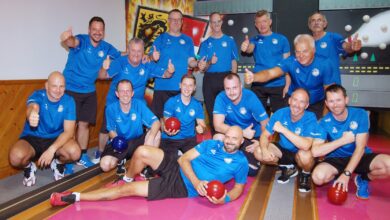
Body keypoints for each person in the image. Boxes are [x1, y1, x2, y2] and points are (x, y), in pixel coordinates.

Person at [50, 126, 249, 206]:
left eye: (234, 139)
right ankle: (128, 174)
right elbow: (183, 159)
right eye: (227, 137)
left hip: (179, 186)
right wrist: (197, 181)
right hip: (178, 167)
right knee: (143, 151)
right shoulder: (212, 144)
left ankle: (75, 196)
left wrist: (226, 198)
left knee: (126, 191)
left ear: (241, 142)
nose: (229, 141)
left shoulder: (241, 163)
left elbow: (239, 187)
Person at [94, 37, 175, 163]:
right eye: (133, 50)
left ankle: (145, 158)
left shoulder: (146, 64)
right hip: (115, 103)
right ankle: (99, 151)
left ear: (143, 52)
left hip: (137, 106)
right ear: (128, 50)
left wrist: (170, 71)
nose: (136, 54)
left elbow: (165, 74)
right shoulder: (120, 62)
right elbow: (102, 76)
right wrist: (104, 68)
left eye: (139, 51)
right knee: (106, 129)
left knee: (149, 130)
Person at [60, 16, 122, 169]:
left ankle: (81, 155)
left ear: (103, 32)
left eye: (100, 30)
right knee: (70, 126)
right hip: (70, 89)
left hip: (89, 90)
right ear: (89, 30)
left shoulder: (106, 47)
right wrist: (67, 37)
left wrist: (140, 56)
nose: (97, 32)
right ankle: (68, 158)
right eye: (94, 29)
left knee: (84, 124)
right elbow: (71, 42)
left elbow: (121, 55)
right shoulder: (81, 40)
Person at [311, 84, 390, 199]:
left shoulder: (360, 114)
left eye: (338, 100)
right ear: (327, 104)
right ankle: (335, 174)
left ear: (346, 100)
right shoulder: (324, 122)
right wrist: (342, 140)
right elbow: (315, 152)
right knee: (318, 178)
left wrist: (346, 174)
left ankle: (363, 178)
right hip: (336, 159)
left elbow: (360, 148)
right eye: (331, 101)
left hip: (360, 156)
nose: (335, 104)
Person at [8, 72, 81, 186]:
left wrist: (51, 150)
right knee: (15, 157)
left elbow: (69, 132)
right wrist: (31, 114)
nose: (58, 90)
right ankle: (29, 167)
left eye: (61, 86)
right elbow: (33, 106)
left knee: (75, 152)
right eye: (54, 86)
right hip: (33, 137)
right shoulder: (38, 95)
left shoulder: (69, 101)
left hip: (56, 138)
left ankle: (58, 163)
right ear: (46, 85)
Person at [245, 34, 336, 119]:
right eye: (297, 52)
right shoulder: (291, 61)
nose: (301, 55)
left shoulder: (325, 64)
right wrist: (254, 77)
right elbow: (270, 73)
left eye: (305, 51)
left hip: (315, 104)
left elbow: (330, 94)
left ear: (313, 50)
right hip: (294, 102)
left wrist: (324, 118)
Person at [254, 88, 319, 192]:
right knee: (258, 151)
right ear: (289, 100)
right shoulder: (280, 113)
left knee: (305, 156)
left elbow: (306, 145)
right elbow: (265, 135)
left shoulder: (310, 117)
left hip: (301, 152)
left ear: (306, 105)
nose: (297, 105)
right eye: (295, 100)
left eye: (302, 102)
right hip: (283, 150)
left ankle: (305, 174)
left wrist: (283, 130)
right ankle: (288, 168)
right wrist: (265, 150)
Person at [99, 79, 160, 174]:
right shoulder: (110, 109)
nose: (125, 94)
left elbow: (156, 122)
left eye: (128, 91)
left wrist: (150, 140)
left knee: (156, 134)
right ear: (117, 94)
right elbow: (110, 130)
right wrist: (118, 141)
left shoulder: (139, 105)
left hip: (137, 141)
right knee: (105, 165)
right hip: (121, 141)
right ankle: (121, 160)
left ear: (132, 93)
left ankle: (146, 166)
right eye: (122, 91)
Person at [213, 73, 269, 176]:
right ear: (224, 89)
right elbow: (217, 125)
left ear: (241, 86)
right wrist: (242, 133)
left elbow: (266, 124)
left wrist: (261, 143)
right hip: (233, 135)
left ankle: (231, 161)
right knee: (217, 138)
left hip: (251, 137)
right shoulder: (221, 98)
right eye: (228, 89)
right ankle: (234, 160)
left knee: (253, 170)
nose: (231, 92)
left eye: (234, 88)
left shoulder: (250, 97)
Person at [149, 9, 198, 121]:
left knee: (179, 120)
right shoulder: (160, 39)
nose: (176, 22)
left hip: (181, 88)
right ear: (168, 21)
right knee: (160, 121)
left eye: (178, 20)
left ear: (182, 22)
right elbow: (151, 57)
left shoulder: (188, 40)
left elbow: (191, 61)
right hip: (162, 87)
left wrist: (197, 63)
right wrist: (153, 57)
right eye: (173, 19)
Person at [240, 10, 291, 113]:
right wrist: (246, 47)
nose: (262, 25)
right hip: (258, 83)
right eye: (259, 22)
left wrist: (287, 85)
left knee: (279, 117)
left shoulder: (282, 39)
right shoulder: (254, 39)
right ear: (255, 25)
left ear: (270, 22)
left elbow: (288, 65)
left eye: (264, 21)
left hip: (278, 84)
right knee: (258, 115)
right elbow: (250, 48)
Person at [197, 12, 239, 132]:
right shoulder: (205, 44)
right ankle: (216, 136)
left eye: (218, 21)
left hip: (226, 78)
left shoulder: (230, 41)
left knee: (228, 109)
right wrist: (210, 61)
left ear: (221, 22)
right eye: (213, 22)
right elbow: (202, 68)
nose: (216, 24)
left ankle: (230, 136)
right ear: (210, 24)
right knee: (211, 110)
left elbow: (234, 62)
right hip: (209, 79)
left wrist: (234, 78)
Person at [308, 11, 362, 84]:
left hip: (331, 86)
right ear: (309, 25)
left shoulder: (333, 37)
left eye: (319, 20)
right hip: (313, 87)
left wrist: (351, 47)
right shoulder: (306, 42)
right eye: (313, 21)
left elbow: (345, 46)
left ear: (325, 24)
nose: (316, 23)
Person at [161, 74, 206, 155]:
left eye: (190, 85)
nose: (187, 88)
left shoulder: (197, 105)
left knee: (196, 162)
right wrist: (169, 131)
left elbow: (202, 125)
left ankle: (181, 154)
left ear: (194, 88)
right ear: (180, 85)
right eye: (184, 84)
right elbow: (166, 121)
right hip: (171, 139)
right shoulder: (171, 102)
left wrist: (202, 128)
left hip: (189, 140)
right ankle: (178, 154)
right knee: (170, 164)